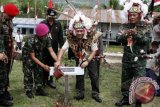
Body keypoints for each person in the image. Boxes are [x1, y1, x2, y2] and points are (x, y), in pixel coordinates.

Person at [54, 12, 102, 103]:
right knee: (79, 75)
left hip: (90, 58)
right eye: (77, 31)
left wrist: (87, 61)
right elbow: (63, 49)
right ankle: (80, 93)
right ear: (74, 30)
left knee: (94, 76)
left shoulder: (91, 35)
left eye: (81, 31)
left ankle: (95, 93)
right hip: (79, 57)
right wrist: (58, 60)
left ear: (84, 30)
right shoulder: (71, 37)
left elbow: (94, 51)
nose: (79, 33)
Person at [115, 1, 150, 106]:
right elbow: (117, 39)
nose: (132, 17)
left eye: (134, 15)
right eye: (130, 15)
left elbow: (147, 41)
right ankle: (126, 98)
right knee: (126, 79)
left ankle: (138, 102)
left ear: (140, 15)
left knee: (140, 80)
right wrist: (126, 35)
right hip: (127, 58)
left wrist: (136, 35)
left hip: (140, 60)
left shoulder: (146, 26)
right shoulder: (124, 26)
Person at [22, 23, 57, 98]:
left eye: (46, 34)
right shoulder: (30, 41)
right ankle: (28, 90)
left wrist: (58, 61)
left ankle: (39, 89)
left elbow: (51, 51)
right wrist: (44, 65)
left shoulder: (47, 38)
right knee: (28, 73)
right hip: (28, 57)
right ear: (39, 35)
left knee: (39, 71)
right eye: (44, 35)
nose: (46, 36)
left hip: (38, 54)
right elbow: (32, 57)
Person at [0, 3, 19, 106]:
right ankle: (1, 96)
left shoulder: (9, 21)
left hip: (7, 51)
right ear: (5, 13)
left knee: (6, 72)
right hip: (1, 51)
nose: (12, 18)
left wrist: (13, 47)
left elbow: (10, 35)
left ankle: (4, 90)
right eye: (11, 16)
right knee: (1, 73)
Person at [41, 8, 64, 89]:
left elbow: (61, 38)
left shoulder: (58, 24)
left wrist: (62, 48)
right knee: (44, 64)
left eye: (53, 16)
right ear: (47, 15)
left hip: (54, 49)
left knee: (52, 64)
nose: (51, 18)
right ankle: (43, 80)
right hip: (44, 49)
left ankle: (50, 80)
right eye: (50, 16)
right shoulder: (42, 23)